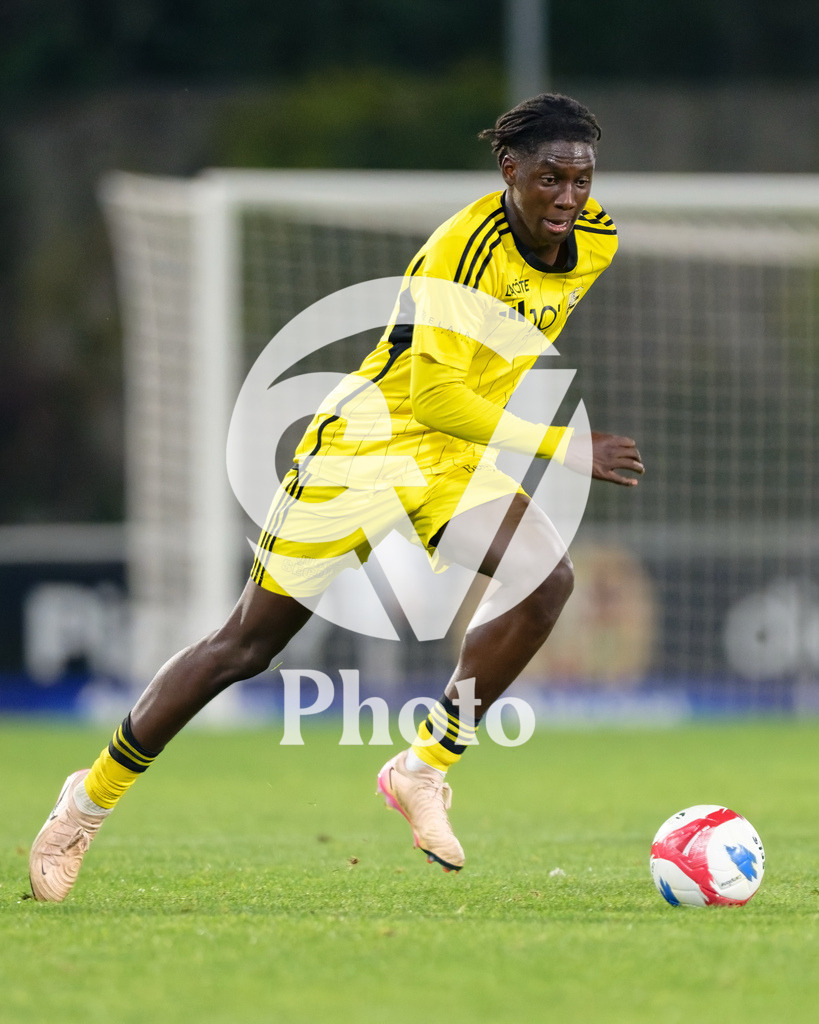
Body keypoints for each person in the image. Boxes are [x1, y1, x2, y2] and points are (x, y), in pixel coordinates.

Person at [29, 92, 644, 900]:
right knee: (243, 648)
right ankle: (84, 805)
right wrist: (564, 445)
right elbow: (429, 398)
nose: (568, 197)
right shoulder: (462, 250)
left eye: (581, 179)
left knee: (545, 580)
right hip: (366, 445)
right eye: (550, 179)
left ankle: (422, 769)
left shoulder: (593, 241)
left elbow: (479, 378)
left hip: (450, 454)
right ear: (510, 172)